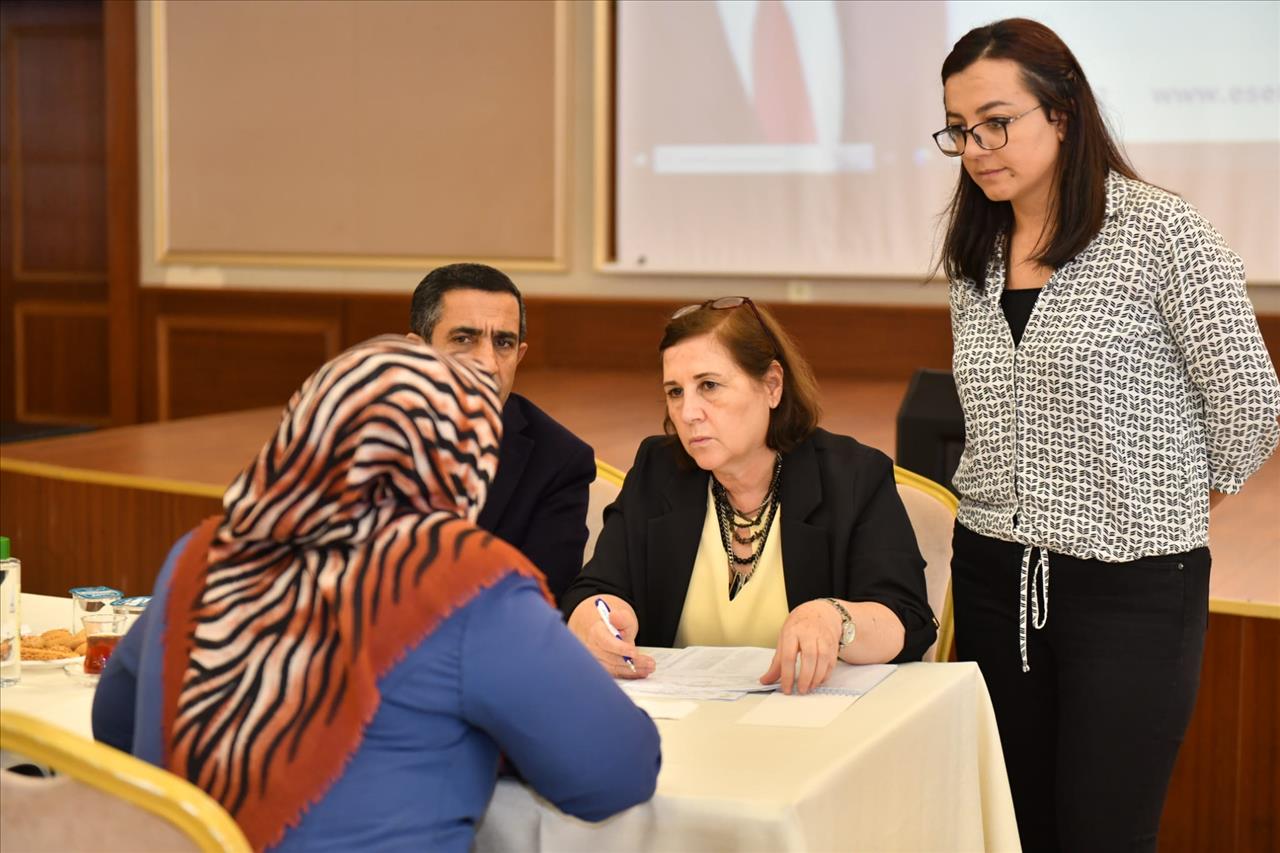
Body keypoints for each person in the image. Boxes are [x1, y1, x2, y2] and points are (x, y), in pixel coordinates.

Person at [92, 336, 661, 853]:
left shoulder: (200, 554)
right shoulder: (465, 581)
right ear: (461, 457)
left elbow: (115, 723)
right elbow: (613, 774)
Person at [933, 18, 1280, 852]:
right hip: (990, 577)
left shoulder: (1162, 233)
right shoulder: (974, 249)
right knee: (1005, 826)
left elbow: (1251, 402)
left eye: (997, 121)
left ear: (1063, 111)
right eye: (959, 129)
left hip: (1131, 592)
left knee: (1103, 830)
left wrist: (1159, 508)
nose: (977, 147)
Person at [560, 297, 936, 695]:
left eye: (709, 386)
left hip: (809, 729)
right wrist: (593, 618)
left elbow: (907, 620)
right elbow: (593, 590)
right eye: (674, 392)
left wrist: (834, 617)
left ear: (772, 385)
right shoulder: (658, 470)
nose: (687, 413)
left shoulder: (853, 476)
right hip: (681, 729)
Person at [409, 262, 595, 602]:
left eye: (503, 343)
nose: (489, 364)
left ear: (519, 355)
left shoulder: (559, 461)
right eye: (464, 339)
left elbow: (535, 602)